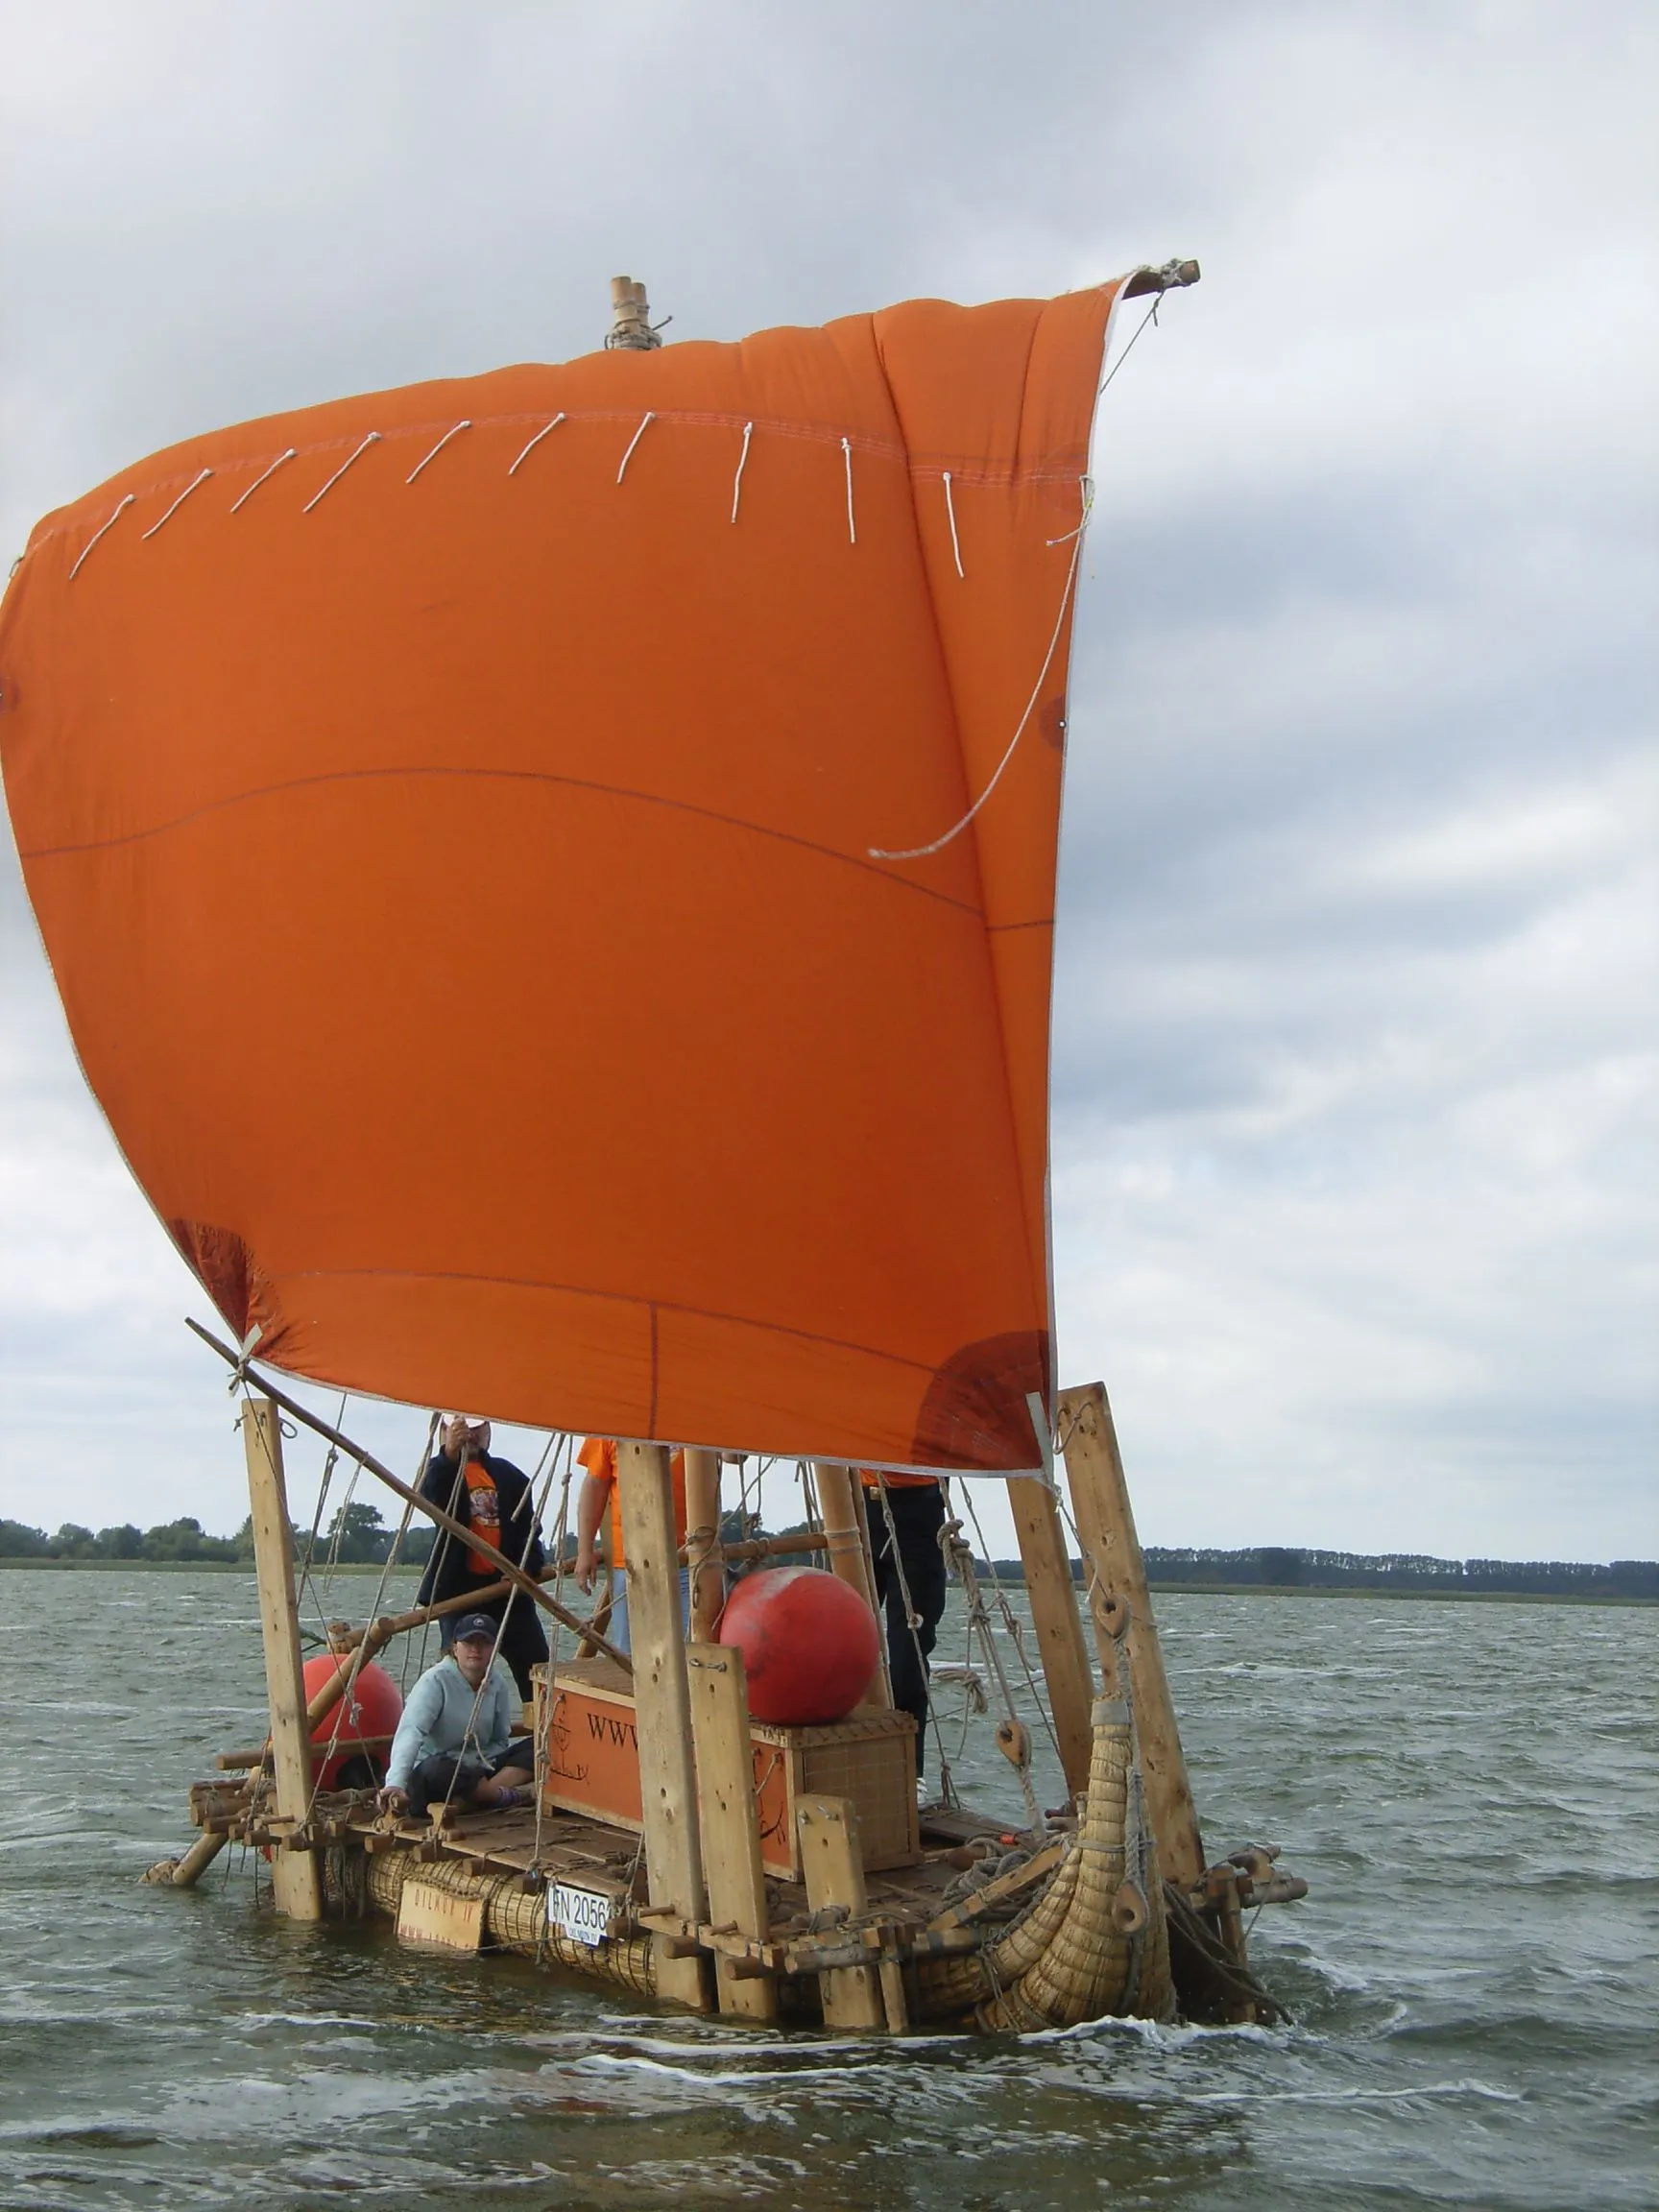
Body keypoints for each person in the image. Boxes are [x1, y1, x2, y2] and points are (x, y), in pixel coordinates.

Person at [416, 1414, 548, 1699]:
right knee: (457, 1679)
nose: (471, 1436)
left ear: (488, 1431)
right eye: (464, 1430)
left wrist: (527, 1568)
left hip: (508, 1591)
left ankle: (546, 1735)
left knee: (538, 1672)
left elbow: (531, 1530)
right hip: (459, 1593)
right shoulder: (438, 1472)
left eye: (477, 1430)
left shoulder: (511, 1476)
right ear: (445, 1431)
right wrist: (449, 1453)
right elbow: (431, 1494)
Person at [377, 1614, 535, 1819]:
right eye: (468, 1641)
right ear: (454, 1647)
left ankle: (476, 1798)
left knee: (543, 1745)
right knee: (437, 1768)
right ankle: (499, 1796)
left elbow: (499, 1740)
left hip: (479, 1769)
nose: (475, 1649)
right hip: (438, 1773)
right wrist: (395, 1783)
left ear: (495, 1649)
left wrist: (481, 1767)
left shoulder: (497, 1683)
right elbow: (411, 1731)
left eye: (484, 1642)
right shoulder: (435, 1681)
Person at [861, 1470, 948, 1780]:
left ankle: (910, 1775)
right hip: (857, 1507)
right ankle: (845, 1765)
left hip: (919, 1511)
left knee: (907, 1659)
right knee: (842, 1647)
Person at [572, 1436, 695, 1655]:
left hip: (691, 1559)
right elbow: (594, 1487)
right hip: (629, 1562)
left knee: (689, 1648)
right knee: (631, 1653)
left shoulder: (697, 1417)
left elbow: (733, 1456)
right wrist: (585, 1550)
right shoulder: (610, 1423)